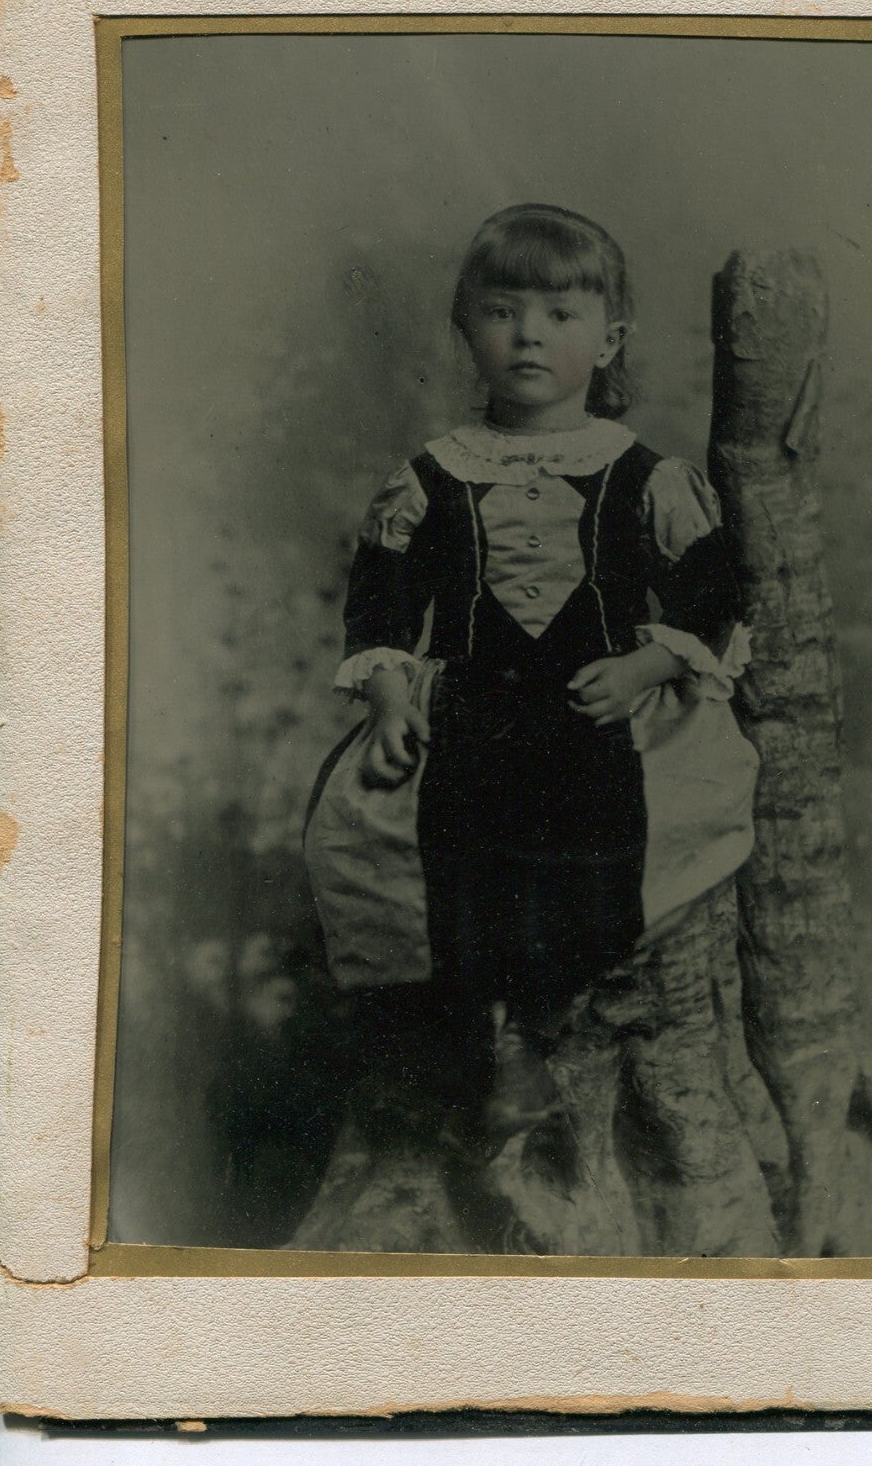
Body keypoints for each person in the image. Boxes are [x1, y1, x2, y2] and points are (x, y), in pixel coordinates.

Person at [305, 203, 759, 1157]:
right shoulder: (430, 476)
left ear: (609, 340)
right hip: (474, 706)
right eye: (504, 312)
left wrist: (644, 665)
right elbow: (381, 605)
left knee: (601, 841)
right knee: (434, 837)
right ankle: (491, 1056)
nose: (529, 336)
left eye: (560, 317)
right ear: (466, 328)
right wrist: (389, 697)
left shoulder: (644, 475)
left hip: (602, 710)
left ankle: (561, 1043)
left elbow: (714, 590)